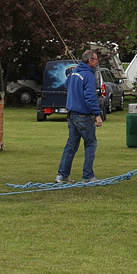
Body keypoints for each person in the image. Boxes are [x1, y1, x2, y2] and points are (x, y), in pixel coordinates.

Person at [56, 49, 103, 183]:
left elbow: (66, 85)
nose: (97, 61)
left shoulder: (73, 73)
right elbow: (90, 97)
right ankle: (88, 176)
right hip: (83, 116)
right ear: (89, 61)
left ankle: (61, 175)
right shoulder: (88, 75)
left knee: (71, 146)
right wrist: (97, 115)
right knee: (90, 145)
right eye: (95, 59)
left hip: (71, 116)